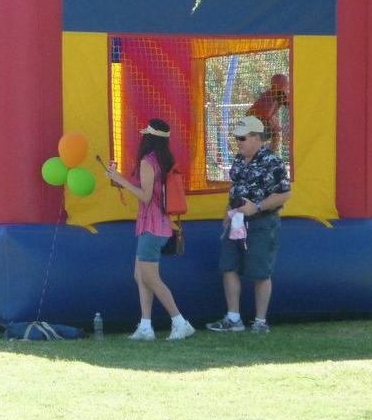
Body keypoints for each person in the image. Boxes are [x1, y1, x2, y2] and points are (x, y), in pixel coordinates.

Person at [106, 118, 196, 341]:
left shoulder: (148, 161)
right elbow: (147, 189)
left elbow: (145, 196)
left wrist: (120, 179)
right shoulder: (163, 159)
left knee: (151, 278)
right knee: (141, 275)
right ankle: (145, 326)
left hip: (152, 227)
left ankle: (180, 321)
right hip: (159, 226)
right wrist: (116, 179)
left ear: (148, 138)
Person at [206, 115, 291, 334]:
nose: (239, 142)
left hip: (261, 223)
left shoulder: (272, 161)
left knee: (261, 272)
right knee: (228, 266)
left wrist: (258, 207)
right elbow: (235, 189)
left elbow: (284, 194)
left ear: (256, 137)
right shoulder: (238, 160)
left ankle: (260, 322)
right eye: (237, 139)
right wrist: (227, 214)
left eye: (242, 138)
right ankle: (234, 319)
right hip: (236, 221)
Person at [246, 73, 289, 151]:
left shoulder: (275, 94)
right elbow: (266, 115)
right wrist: (275, 125)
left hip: (254, 121)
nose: (287, 88)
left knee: (274, 134)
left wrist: (275, 124)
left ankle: (265, 151)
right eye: (286, 85)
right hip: (254, 122)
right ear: (282, 86)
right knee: (274, 134)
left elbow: (269, 114)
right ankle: (268, 152)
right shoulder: (273, 96)